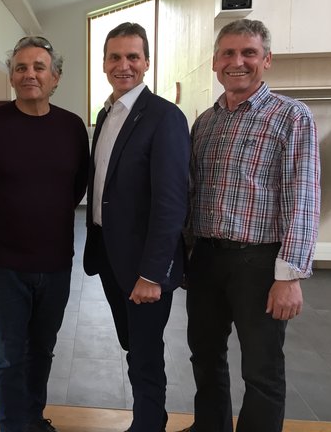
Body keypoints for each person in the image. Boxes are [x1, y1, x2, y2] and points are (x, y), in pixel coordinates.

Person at [180, 19, 320, 432]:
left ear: (267, 60)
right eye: (228, 53)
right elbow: (192, 193)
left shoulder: (291, 117)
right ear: (214, 62)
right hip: (206, 258)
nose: (237, 62)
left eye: (248, 53)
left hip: (259, 264)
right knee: (205, 356)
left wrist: (289, 276)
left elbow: (303, 198)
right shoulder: (205, 123)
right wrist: (185, 256)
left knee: (261, 369)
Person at [0, 36, 89, 432]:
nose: (29, 74)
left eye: (38, 67)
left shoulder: (71, 127)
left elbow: (79, 186)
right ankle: (13, 424)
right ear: (12, 77)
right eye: (20, 67)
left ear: (56, 77)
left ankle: (33, 417)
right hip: (4, 266)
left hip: (54, 263)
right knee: (8, 354)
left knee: (42, 351)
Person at [83, 22, 190, 432]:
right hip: (111, 258)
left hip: (144, 267)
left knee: (145, 354)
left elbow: (171, 203)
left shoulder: (164, 117)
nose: (123, 65)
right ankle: (153, 417)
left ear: (146, 62)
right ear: (104, 63)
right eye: (115, 57)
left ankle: (148, 425)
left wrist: (153, 273)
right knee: (133, 345)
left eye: (132, 57)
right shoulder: (106, 113)